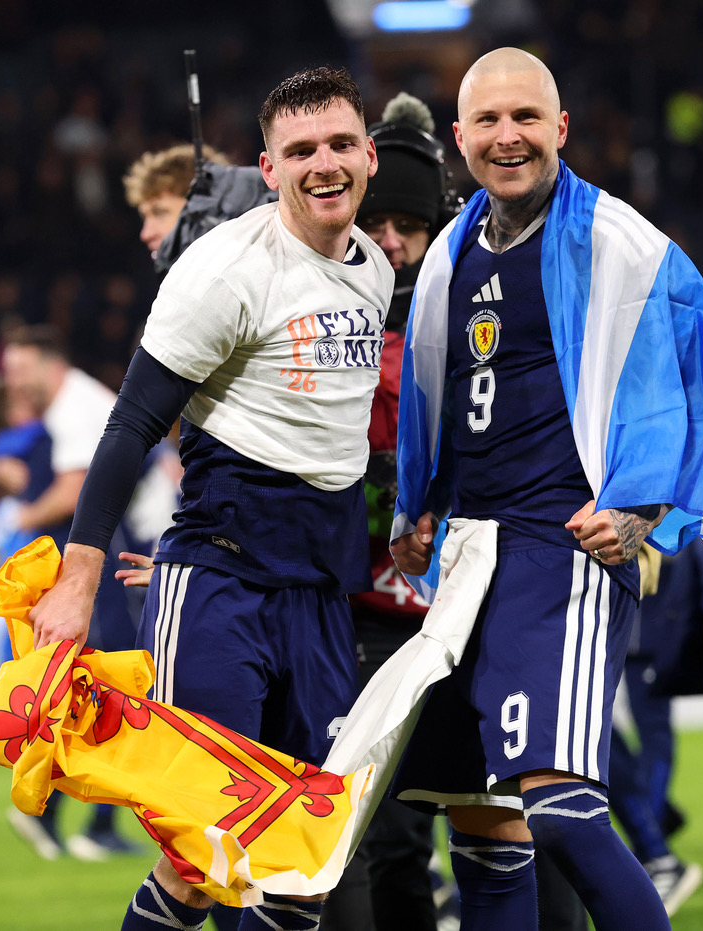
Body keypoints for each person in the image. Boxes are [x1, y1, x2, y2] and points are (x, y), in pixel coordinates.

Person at [390, 48, 703, 931]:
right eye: (488, 121)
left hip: (560, 551)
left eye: (526, 117)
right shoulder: (451, 251)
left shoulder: (623, 245)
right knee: (482, 826)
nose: (507, 136)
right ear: (459, 139)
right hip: (466, 560)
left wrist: (646, 511)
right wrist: (422, 506)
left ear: (560, 128)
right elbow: (442, 399)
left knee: (558, 808)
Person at [25, 66, 391, 931]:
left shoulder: (373, 268)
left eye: (340, 144)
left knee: (304, 865)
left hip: (320, 598)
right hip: (224, 586)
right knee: (202, 858)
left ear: (368, 156)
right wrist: (78, 579)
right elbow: (129, 427)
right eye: (299, 151)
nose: (324, 164)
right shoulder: (222, 270)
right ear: (267, 170)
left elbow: (331, 440)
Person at [317, 91, 456, 931]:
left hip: (467, 608)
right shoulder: (329, 327)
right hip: (371, 617)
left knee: (506, 822)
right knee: (390, 835)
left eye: (410, 222)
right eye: (381, 222)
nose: (393, 241)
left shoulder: (485, 318)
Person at [1, 325, 148, 861]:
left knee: (107, 681)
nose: (13, 382)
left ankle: (58, 811)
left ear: (48, 363)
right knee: (111, 683)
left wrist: (21, 515)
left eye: (20, 370)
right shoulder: (71, 405)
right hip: (114, 551)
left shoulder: (77, 406)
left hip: (116, 554)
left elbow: (75, 489)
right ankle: (75, 816)